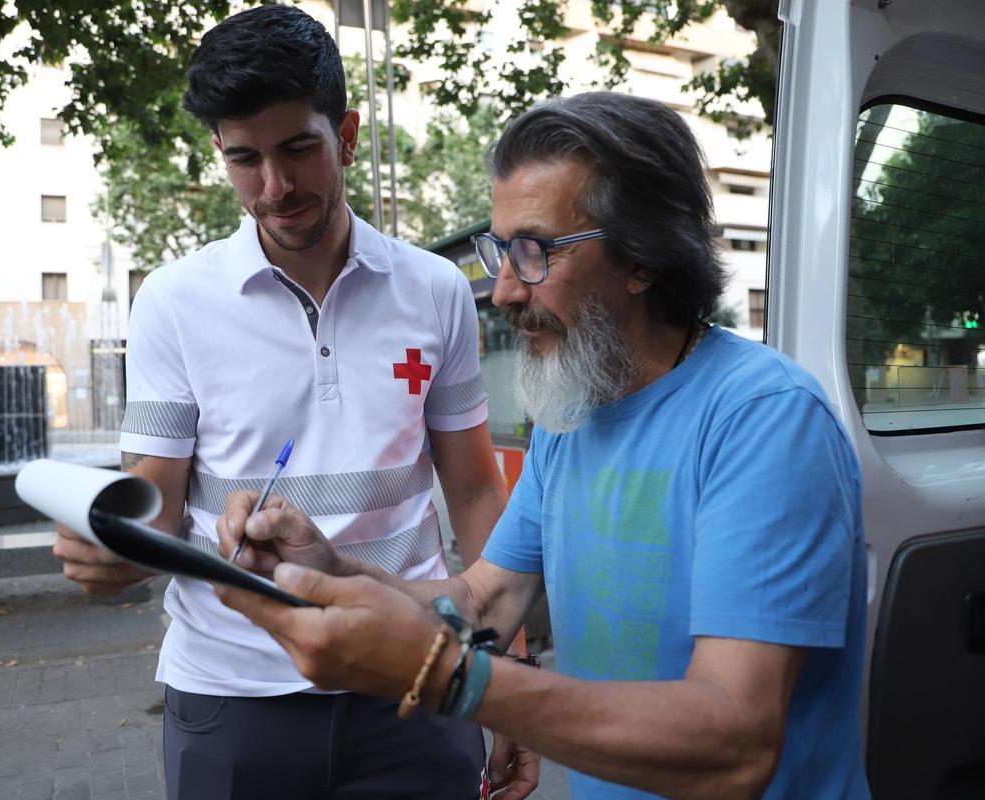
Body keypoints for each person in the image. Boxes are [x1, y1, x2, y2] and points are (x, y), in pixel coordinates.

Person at [215, 91, 873, 799]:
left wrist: (448, 678)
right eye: (500, 251)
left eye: (533, 253)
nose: (501, 292)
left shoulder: (765, 421)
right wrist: (338, 571)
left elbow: (736, 744)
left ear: (641, 257)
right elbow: (484, 602)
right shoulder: (573, 415)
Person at [51, 6, 534, 799]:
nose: (275, 187)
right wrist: (115, 551)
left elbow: (476, 488)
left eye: (297, 149)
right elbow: (158, 512)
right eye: (245, 159)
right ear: (219, 152)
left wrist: (508, 674)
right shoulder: (173, 302)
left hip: (415, 676)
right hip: (232, 694)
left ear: (344, 135)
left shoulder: (436, 290)